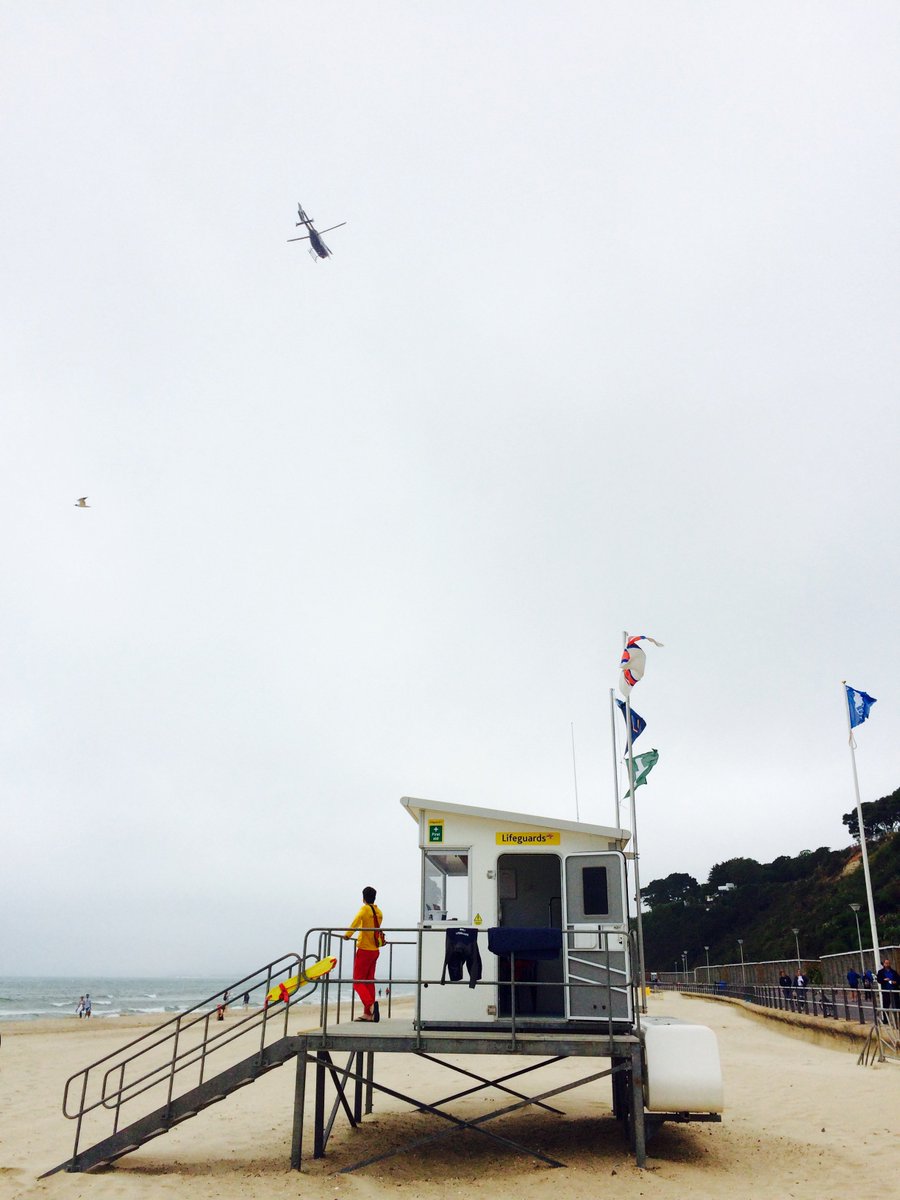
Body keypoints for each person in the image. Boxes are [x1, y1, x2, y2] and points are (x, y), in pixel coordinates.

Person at [344, 886, 383, 1022]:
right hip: (375, 950)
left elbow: (356, 921)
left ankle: (370, 1006)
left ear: (363, 898)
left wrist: (348, 935)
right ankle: (368, 1014)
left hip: (364, 950)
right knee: (369, 981)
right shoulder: (379, 912)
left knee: (357, 981)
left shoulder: (365, 909)